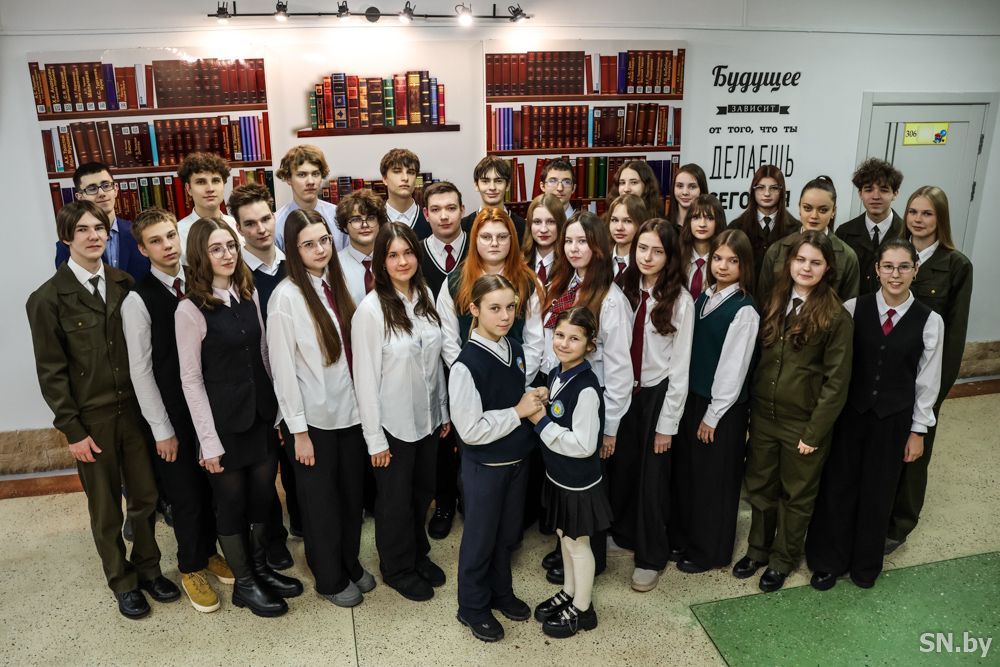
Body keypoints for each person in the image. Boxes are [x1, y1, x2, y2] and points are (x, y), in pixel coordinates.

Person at [27, 201, 177, 619]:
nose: (93, 236)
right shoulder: (47, 299)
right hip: (92, 419)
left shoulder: (124, 282)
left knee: (145, 497)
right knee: (107, 508)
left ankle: (149, 569)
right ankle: (122, 581)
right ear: (66, 239)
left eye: (99, 228)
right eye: (82, 230)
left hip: (133, 412)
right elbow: (51, 373)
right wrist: (72, 431)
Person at [176, 218, 303, 618]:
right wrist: (207, 441)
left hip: (260, 416)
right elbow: (191, 380)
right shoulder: (189, 310)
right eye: (216, 248)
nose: (227, 254)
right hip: (225, 426)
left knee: (263, 499)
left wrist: (279, 411)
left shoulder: (247, 293)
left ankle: (261, 569)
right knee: (231, 505)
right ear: (200, 255)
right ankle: (245, 584)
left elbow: (264, 353)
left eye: (230, 246)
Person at [806, 238, 943, 590]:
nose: (895, 274)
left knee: (879, 492)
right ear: (876, 270)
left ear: (916, 270)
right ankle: (828, 561)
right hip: (851, 415)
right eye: (888, 267)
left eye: (903, 267)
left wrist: (918, 431)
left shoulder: (930, 321)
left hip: (893, 419)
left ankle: (865, 564)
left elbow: (927, 382)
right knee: (839, 486)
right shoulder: (853, 308)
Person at [121, 207, 233, 613]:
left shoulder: (199, 282)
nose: (167, 245)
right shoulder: (138, 299)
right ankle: (190, 567)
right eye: (156, 241)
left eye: (171, 236)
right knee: (185, 495)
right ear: (142, 249)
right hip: (172, 414)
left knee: (211, 488)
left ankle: (208, 552)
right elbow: (140, 371)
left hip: (208, 405)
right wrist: (161, 428)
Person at [267, 208, 376, 608]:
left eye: (324, 240)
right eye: (308, 244)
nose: (319, 249)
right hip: (313, 423)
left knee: (351, 498)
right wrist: (298, 432)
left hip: (351, 414)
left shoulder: (338, 282)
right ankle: (329, 577)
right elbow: (282, 371)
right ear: (294, 250)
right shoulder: (285, 297)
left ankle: (349, 561)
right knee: (321, 505)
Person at [735, 231, 853, 593]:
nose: (806, 268)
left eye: (815, 262)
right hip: (765, 416)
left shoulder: (835, 316)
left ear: (827, 268)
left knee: (796, 495)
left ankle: (782, 559)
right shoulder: (774, 300)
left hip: (802, 424)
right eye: (800, 260)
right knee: (761, 487)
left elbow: (836, 383)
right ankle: (757, 549)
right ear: (790, 262)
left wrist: (814, 432)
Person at [351, 222, 450, 602]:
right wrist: (374, 439)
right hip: (392, 425)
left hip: (427, 420)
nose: (402, 261)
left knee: (422, 493)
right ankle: (396, 567)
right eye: (393, 255)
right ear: (381, 262)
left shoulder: (424, 295)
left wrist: (442, 412)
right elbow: (364, 380)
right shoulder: (371, 311)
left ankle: (417, 553)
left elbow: (434, 363)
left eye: (408, 252)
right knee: (394, 501)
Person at [538, 211, 632, 584]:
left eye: (583, 242)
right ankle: (568, 548)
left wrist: (611, 428)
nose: (574, 248)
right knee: (565, 480)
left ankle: (591, 561)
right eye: (569, 241)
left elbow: (621, 369)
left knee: (587, 487)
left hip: (594, 399)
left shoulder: (610, 299)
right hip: (564, 390)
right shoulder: (565, 284)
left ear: (599, 248)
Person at [450, 275, 546, 642]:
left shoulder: (515, 348)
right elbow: (471, 430)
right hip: (485, 468)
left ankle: (500, 591)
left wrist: (532, 396)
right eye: (494, 308)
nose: (505, 316)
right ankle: (472, 606)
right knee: (480, 540)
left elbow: (512, 392)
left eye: (510, 308)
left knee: (506, 536)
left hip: (516, 462)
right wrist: (518, 411)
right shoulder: (466, 365)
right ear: (474, 309)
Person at [886, 186, 973, 553]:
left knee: (914, 452)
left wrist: (936, 395)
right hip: (887, 372)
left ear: (941, 219)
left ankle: (900, 523)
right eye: (913, 212)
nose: (918, 220)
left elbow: (954, 336)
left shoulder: (956, 265)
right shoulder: (894, 254)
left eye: (927, 213)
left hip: (924, 375)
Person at [610, 219, 694, 592]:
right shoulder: (623, 289)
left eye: (657, 251)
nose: (647, 257)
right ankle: (625, 534)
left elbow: (680, 368)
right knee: (623, 469)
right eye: (642, 248)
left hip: (657, 394)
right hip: (624, 389)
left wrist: (667, 424)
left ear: (670, 256)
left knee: (652, 481)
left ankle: (650, 557)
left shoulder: (680, 300)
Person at [671, 229, 758, 574]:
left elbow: (733, 369)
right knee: (693, 476)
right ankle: (688, 539)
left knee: (715, 482)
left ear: (744, 265)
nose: (723, 266)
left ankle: (711, 551)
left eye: (732, 261)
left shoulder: (744, 309)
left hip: (722, 408)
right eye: (718, 258)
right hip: (695, 399)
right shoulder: (705, 297)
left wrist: (713, 414)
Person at [530, 307, 613, 639]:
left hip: (578, 483)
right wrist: (545, 397)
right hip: (558, 476)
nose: (564, 343)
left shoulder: (587, 388)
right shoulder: (558, 373)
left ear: (590, 345)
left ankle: (583, 608)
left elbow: (584, 445)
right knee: (564, 538)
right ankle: (569, 590)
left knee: (579, 545)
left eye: (574, 338)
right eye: (560, 335)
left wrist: (542, 423)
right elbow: (559, 406)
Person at [229, 183, 299, 570]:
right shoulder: (236, 275)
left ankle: (303, 520)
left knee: (299, 462)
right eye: (250, 223)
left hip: (298, 382)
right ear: (239, 229)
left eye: (266, 219)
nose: (261, 229)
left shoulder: (295, 265)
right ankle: (274, 539)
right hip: (260, 388)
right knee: (265, 470)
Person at [438, 208, 544, 382]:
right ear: (475, 239)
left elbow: (534, 342)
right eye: (486, 237)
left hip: (518, 381)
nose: (494, 243)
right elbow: (449, 342)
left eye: (502, 237)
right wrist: (468, 379)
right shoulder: (454, 282)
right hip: (470, 381)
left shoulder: (529, 281)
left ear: (512, 239)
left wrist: (518, 381)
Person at [419, 181, 469, 540]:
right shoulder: (416, 253)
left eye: (451, 208)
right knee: (442, 435)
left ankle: (471, 498)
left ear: (462, 210)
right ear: (426, 214)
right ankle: (445, 502)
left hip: (473, 358)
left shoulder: (478, 246)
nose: (444, 216)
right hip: (432, 360)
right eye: (435, 210)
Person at [759, 176, 860, 301]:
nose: (814, 216)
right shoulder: (777, 250)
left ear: (833, 211)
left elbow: (849, 306)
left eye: (823, 210)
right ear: (799, 208)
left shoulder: (847, 256)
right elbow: (763, 300)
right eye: (807, 208)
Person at [54, 161, 150, 282]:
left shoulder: (140, 233)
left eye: (106, 185)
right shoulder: (68, 244)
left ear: (115, 189)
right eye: (92, 189)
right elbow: (67, 286)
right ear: (80, 197)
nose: (101, 193)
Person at [834, 158, 905, 294]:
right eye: (868, 189)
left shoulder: (906, 232)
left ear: (895, 194)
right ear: (860, 193)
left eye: (883, 190)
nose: (875, 196)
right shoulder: (844, 232)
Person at [727, 165, 797, 284]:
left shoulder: (795, 229)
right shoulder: (736, 227)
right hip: (743, 291)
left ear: (781, 191)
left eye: (774, 188)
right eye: (760, 187)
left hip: (780, 292)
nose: (767, 193)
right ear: (753, 190)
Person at [273, 144, 347, 251]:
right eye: (302, 175)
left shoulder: (338, 216)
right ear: (288, 178)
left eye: (315, 174)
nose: (311, 182)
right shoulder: (277, 223)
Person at [176, 152, 241, 260]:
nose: (210, 189)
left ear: (223, 185)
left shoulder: (238, 227)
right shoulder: (177, 235)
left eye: (216, 181)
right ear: (188, 189)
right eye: (201, 182)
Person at [337, 189, 388, 307]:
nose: (365, 225)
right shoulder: (335, 266)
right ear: (345, 226)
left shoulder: (392, 259)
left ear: (379, 223)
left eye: (371, 218)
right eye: (356, 219)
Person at [462, 156, 527, 241]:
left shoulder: (524, 227)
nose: (492, 187)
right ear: (476, 185)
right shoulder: (463, 227)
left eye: (498, 181)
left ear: (508, 185)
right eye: (485, 181)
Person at [678, 194, 725, 299]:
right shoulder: (677, 254)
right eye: (696, 217)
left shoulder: (724, 260)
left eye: (710, 218)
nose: (702, 224)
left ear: (718, 221)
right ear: (689, 221)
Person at [380, 148, 432, 239]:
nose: (405, 178)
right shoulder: (374, 220)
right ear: (384, 179)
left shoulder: (430, 218)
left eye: (411, 172)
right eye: (397, 171)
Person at [521, 193, 566, 289]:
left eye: (551, 222)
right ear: (530, 225)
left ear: (560, 224)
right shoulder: (519, 263)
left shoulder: (570, 264)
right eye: (537, 222)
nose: (543, 229)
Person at [606, 193, 650, 280]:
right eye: (614, 220)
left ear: (640, 223)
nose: (619, 228)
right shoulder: (600, 259)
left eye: (627, 221)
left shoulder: (646, 263)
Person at [665, 163, 707, 229]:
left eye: (692, 187)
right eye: (680, 186)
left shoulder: (710, 227)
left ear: (702, 189)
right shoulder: (663, 225)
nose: (685, 192)